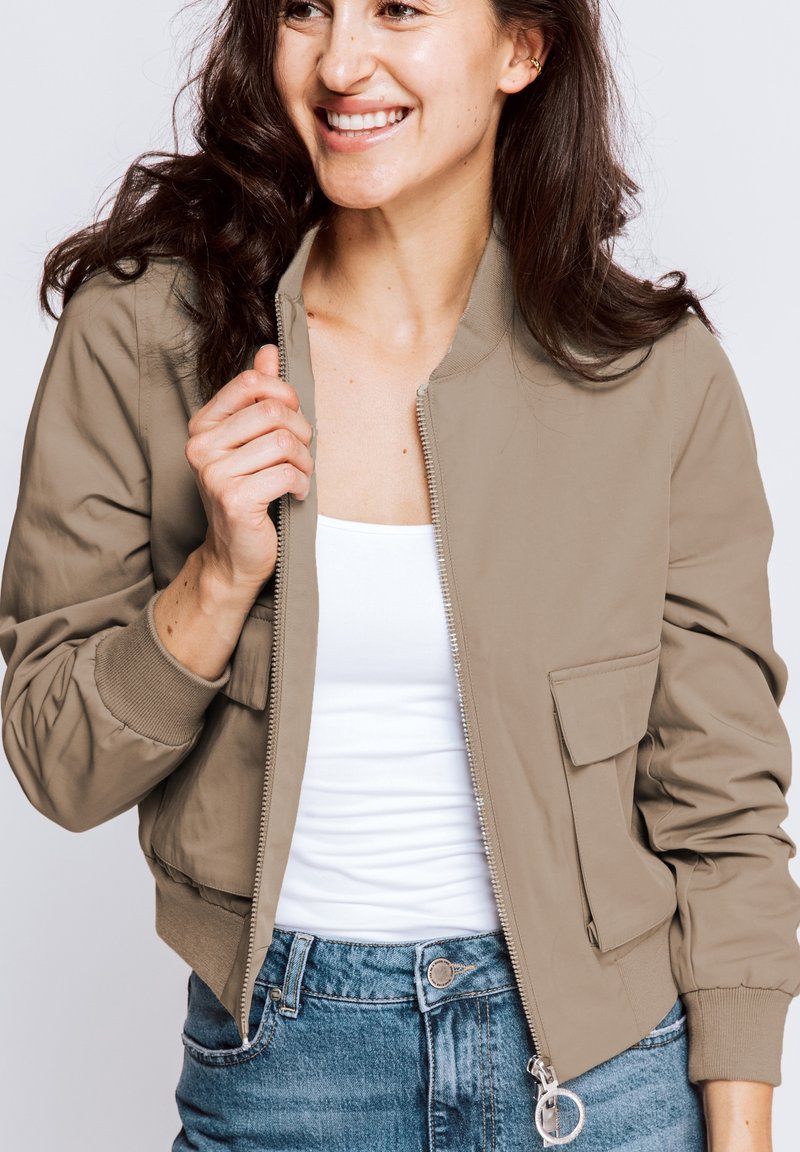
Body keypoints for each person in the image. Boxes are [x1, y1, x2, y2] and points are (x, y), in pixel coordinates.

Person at [2, 0, 799, 1148]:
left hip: (603, 1079)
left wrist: (740, 1134)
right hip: (283, 1074)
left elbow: (721, 807)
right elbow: (53, 762)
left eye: (398, 10)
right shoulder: (144, 334)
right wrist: (217, 581)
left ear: (521, 49)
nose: (338, 61)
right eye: (303, 11)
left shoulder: (652, 379)